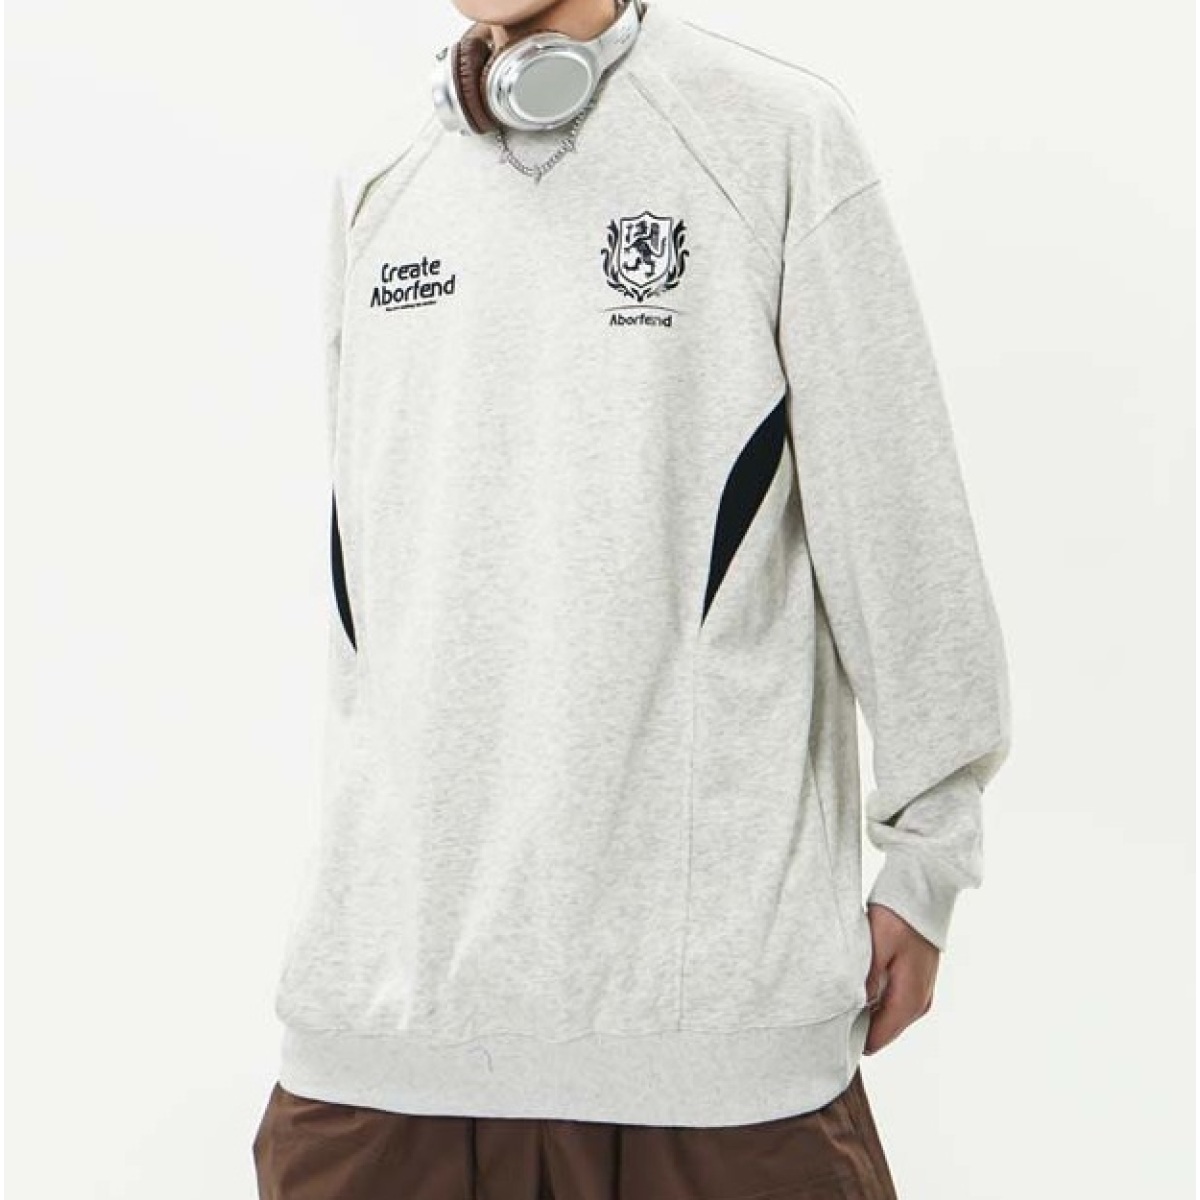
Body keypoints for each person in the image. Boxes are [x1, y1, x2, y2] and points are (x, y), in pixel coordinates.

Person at [252, 0, 1013, 1195]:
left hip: (713, 1052)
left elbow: (899, 517)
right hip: (386, 1040)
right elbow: (370, 595)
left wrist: (929, 853)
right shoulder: (379, 179)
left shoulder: (774, 139)